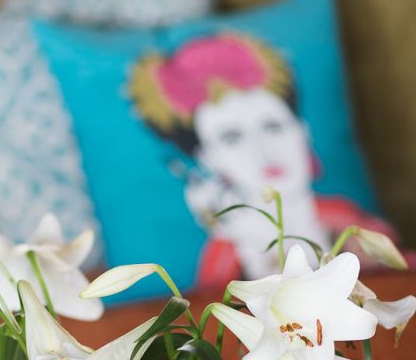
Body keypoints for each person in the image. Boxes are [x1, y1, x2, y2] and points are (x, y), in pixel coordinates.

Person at [129, 32, 394, 286]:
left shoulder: (348, 220)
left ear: (302, 130)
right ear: (208, 159)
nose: (262, 151)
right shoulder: (227, 253)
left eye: (272, 127)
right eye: (232, 138)